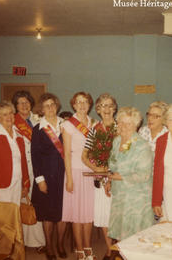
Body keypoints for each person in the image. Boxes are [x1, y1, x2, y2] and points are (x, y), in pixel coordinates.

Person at [106, 107, 154, 241]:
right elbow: (112, 165)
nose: (123, 126)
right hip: (120, 195)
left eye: (128, 123)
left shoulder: (142, 145)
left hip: (136, 198)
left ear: (136, 125)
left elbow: (144, 174)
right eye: (121, 122)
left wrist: (119, 177)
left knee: (134, 236)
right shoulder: (116, 141)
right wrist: (109, 181)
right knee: (121, 234)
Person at [31, 93, 66, 260]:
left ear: (57, 106)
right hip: (46, 177)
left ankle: (60, 244)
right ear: (41, 109)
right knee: (47, 215)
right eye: (46, 105)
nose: (50, 108)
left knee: (62, 213)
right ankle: (50, 247)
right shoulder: (38, 129)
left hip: (64, 176)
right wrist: (40, 180)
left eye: (52, 104)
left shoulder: (65, 125)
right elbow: (35, 157)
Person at [81, 93, 117, 260]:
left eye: (110, 105)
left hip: (117, 179)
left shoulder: (120, 128)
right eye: (103, 105)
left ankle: (119, 249)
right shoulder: (94, 130)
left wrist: (111, 172)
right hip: (99, 179)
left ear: (114, 108)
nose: (107, 109)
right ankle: (110, 250)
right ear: (98, 109)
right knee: (103, 215)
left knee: (117, 215)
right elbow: (84, 156)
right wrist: (97, 168)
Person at [62, 92, 96, 260]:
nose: (82, 105)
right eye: (78, 102)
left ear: (89, 105)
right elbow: (66, 154)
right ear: (73, 105)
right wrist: (69, 178)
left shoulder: (93, 123)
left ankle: (88, 246)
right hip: (74, 171)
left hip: (90, 172)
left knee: (88, 212)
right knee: (77, 213)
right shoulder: (68, 125)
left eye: (85, 102)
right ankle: (79, 249)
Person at [12, 90, 45, 251]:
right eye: (20, 103)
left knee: (37, 203)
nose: (24, 105)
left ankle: (38, 241)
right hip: (21, 169)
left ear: (31, 103)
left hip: (38, 167)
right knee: (24, 203)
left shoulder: (38, 119)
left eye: (27, 102)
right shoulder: (12, 122)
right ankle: (23, 240)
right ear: (16, 106)